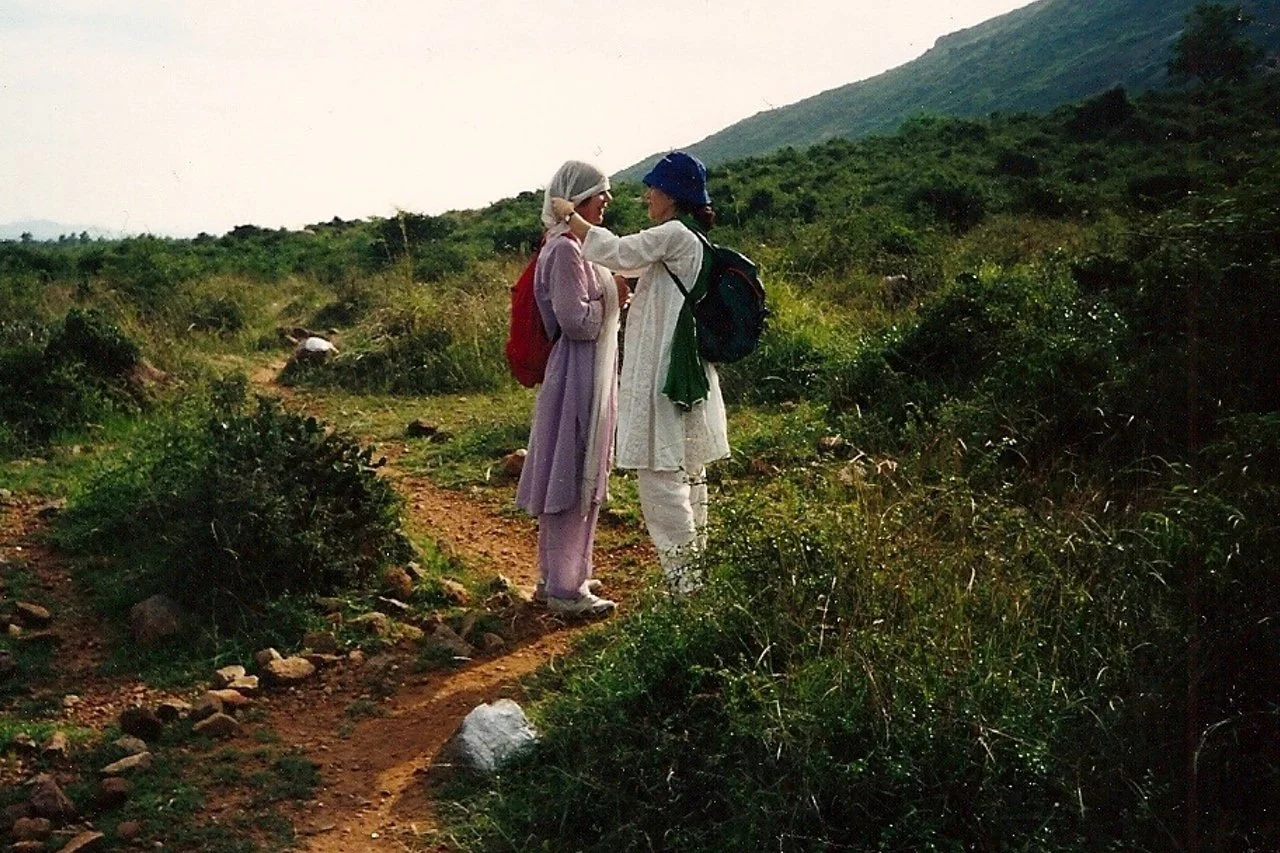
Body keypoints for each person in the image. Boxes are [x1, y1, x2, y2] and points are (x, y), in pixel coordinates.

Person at [551, 151, 729, 593]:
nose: (647, 195)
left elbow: (616, 251)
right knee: (690, 474)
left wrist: (570, 216)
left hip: (666, 375)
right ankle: (695, 576)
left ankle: (687, 584)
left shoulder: (673, 234)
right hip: (687, 373)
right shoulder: (689, 238)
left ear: (672, 195)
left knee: (662, 480)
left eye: (654, 188)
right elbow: (625, 262)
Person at [516, 160, 629, 616]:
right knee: (572, 468)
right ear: (579, 198)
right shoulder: (566, 251)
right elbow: (576, 321)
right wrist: (614, 295)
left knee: (573, 466)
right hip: (577, 371)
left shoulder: (567, 245)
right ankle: (567, 588)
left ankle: (562, 575)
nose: (607, 201)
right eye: (600, 193)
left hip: (584, 370)